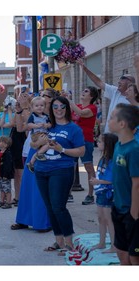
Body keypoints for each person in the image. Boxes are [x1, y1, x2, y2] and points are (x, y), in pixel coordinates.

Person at [34, 96, 85, 253]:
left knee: (58, 207)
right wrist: (38, 142)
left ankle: (69, 243)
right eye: (55, 107)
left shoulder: (74, 129)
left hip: (62, 171)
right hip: (41, 170)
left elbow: (81, 151)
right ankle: (59, 241)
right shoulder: (47, 127)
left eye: (62, 107)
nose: (58, 110)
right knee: (50, 207)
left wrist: (61, 150)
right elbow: (34, 144)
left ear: (67, 109)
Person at [10, 88, 55, 232]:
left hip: (45, 150)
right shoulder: (32, 113)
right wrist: (19, 111)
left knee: (40, 187)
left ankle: (41, 222)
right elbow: (20, 128)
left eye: (44, 97)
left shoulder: (50, 115)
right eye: (40, 97)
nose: (41, 100)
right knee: (27, 185)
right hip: (30, 150)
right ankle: (24, 219)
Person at [108, 103, 139, 265]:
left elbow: (137, 184)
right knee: (122, 252)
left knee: (135, 256)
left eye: (112, 117)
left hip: (131, 212)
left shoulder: (134, 150)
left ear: (122, 124)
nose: (109, 119)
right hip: (118, 207)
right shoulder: (118, 145)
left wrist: (134, 214)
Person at [77, 59, 134, 133]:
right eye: (119, 79)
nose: (119, 81)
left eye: (122, 79)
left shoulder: (134, 99)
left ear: (130, 82)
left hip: (123, 137)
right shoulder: (115, 91)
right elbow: (98, 81)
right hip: (109, 135)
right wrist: (85, 69)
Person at [67, 86, 98, 205]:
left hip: (86, 140)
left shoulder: (92, 108)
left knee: (89, 167)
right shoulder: (77, 106)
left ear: (92, 96)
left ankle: (91, 195)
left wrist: (70, 101)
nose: (83, 92)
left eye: (86, 91)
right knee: (70, 166)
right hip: (73, 140)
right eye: (83, 90)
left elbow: (81, 113)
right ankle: (68, 193)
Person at [89, 133, 118, 253]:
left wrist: (97, 181)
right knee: (101, 218)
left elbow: (111, 179)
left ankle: (114, 246)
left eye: (100, 141)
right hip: (101, 193)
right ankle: (101, 243)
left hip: (108, 193)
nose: (97, 142)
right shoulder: (103, 158)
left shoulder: (111, 161)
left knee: (109, 220)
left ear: (108, 145)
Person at [25, 96, 51, 172]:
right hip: (36, 134)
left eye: (41, 105)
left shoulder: (46, 116)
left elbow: (50, 124)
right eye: (36, 106)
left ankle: (31, 162)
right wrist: (36, 126)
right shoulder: (32, 116)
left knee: (47, 145)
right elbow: (29, 125)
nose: (39, 107)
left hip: (44, 133)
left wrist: (47, 125)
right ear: (32, 107)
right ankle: (38, 153)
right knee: (48, 143)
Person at [0, 135, 14, 209]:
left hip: (5, 175)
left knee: (7, 189)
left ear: (5, 144)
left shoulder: (7, 154)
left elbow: (8, 165)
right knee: (1, 188)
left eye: (0, 141)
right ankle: (1, 201)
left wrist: (5, 175)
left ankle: (8, 202)